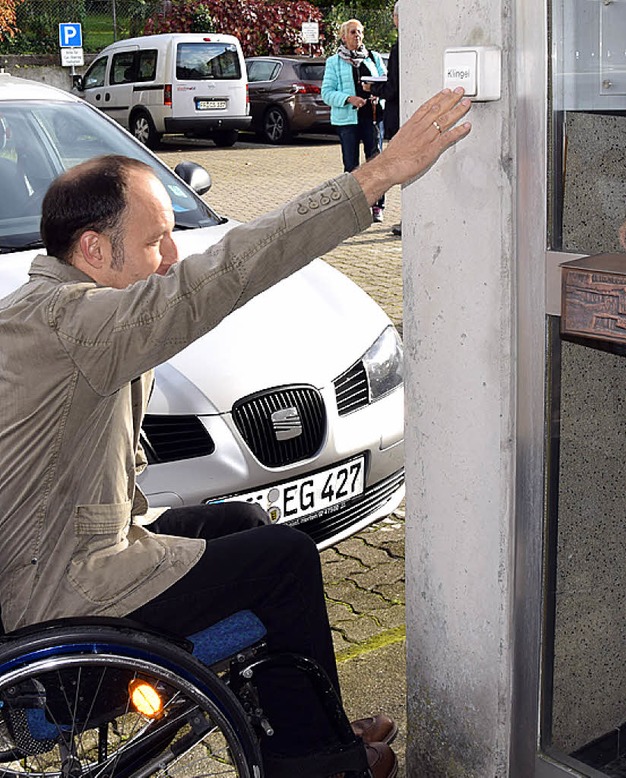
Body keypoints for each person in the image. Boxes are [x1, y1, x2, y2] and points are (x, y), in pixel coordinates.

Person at [0, 87, 471, 778]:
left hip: (56, 563)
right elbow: (228, 271)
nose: (171, 256)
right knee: (283, 559)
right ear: (95, 249)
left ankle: (314, 724)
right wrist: (374, 177)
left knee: (242, 521)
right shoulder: (83, 326)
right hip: (65, 595)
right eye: (154, 240)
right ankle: (316, 763)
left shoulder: (44, 307)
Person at [321, 19, 387, 223]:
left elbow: (386, 84)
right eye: (352, 32)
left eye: (359, 32)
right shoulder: (334, 62)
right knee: (351, 165)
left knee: (376, 163)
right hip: (347, 120)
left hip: (372, 117)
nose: (356, 36)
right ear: (343, 36)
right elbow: (326, 93)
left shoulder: (373, 58)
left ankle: (377, 205)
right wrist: (349, 99)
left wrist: (378, 95)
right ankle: (353, 207)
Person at [362, 1, 401, 236]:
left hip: (399, 117)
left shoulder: (399, 47)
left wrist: (373, 89)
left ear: (397, 18)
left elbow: (394, 87)